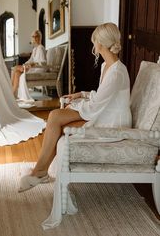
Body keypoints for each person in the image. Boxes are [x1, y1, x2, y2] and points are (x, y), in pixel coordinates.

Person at [19, 22, 132, 191]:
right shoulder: (106, 66)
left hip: (114, 121)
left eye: (94, 41)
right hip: (105, 111)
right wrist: (80, 95)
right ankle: (40, 171)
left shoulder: (116, 71)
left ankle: (40, 171)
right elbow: (103, 95)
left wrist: (75, 106)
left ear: (100, 43)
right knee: (57, 117)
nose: (93, 44)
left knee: (56, 117)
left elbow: (95, 107)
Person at [11, 30, 47, 97]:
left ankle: (11, 92)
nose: (35, 38)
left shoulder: (41, 48)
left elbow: (44, 62)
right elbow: (31, 60)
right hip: (33, 68)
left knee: (16, 68)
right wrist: (25, 64)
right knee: (16, 72)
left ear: (40, 37)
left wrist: (33, 64)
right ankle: (13, 93)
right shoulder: (35, 49)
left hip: (38, 70)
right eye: (33, 36)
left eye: (36, 36)